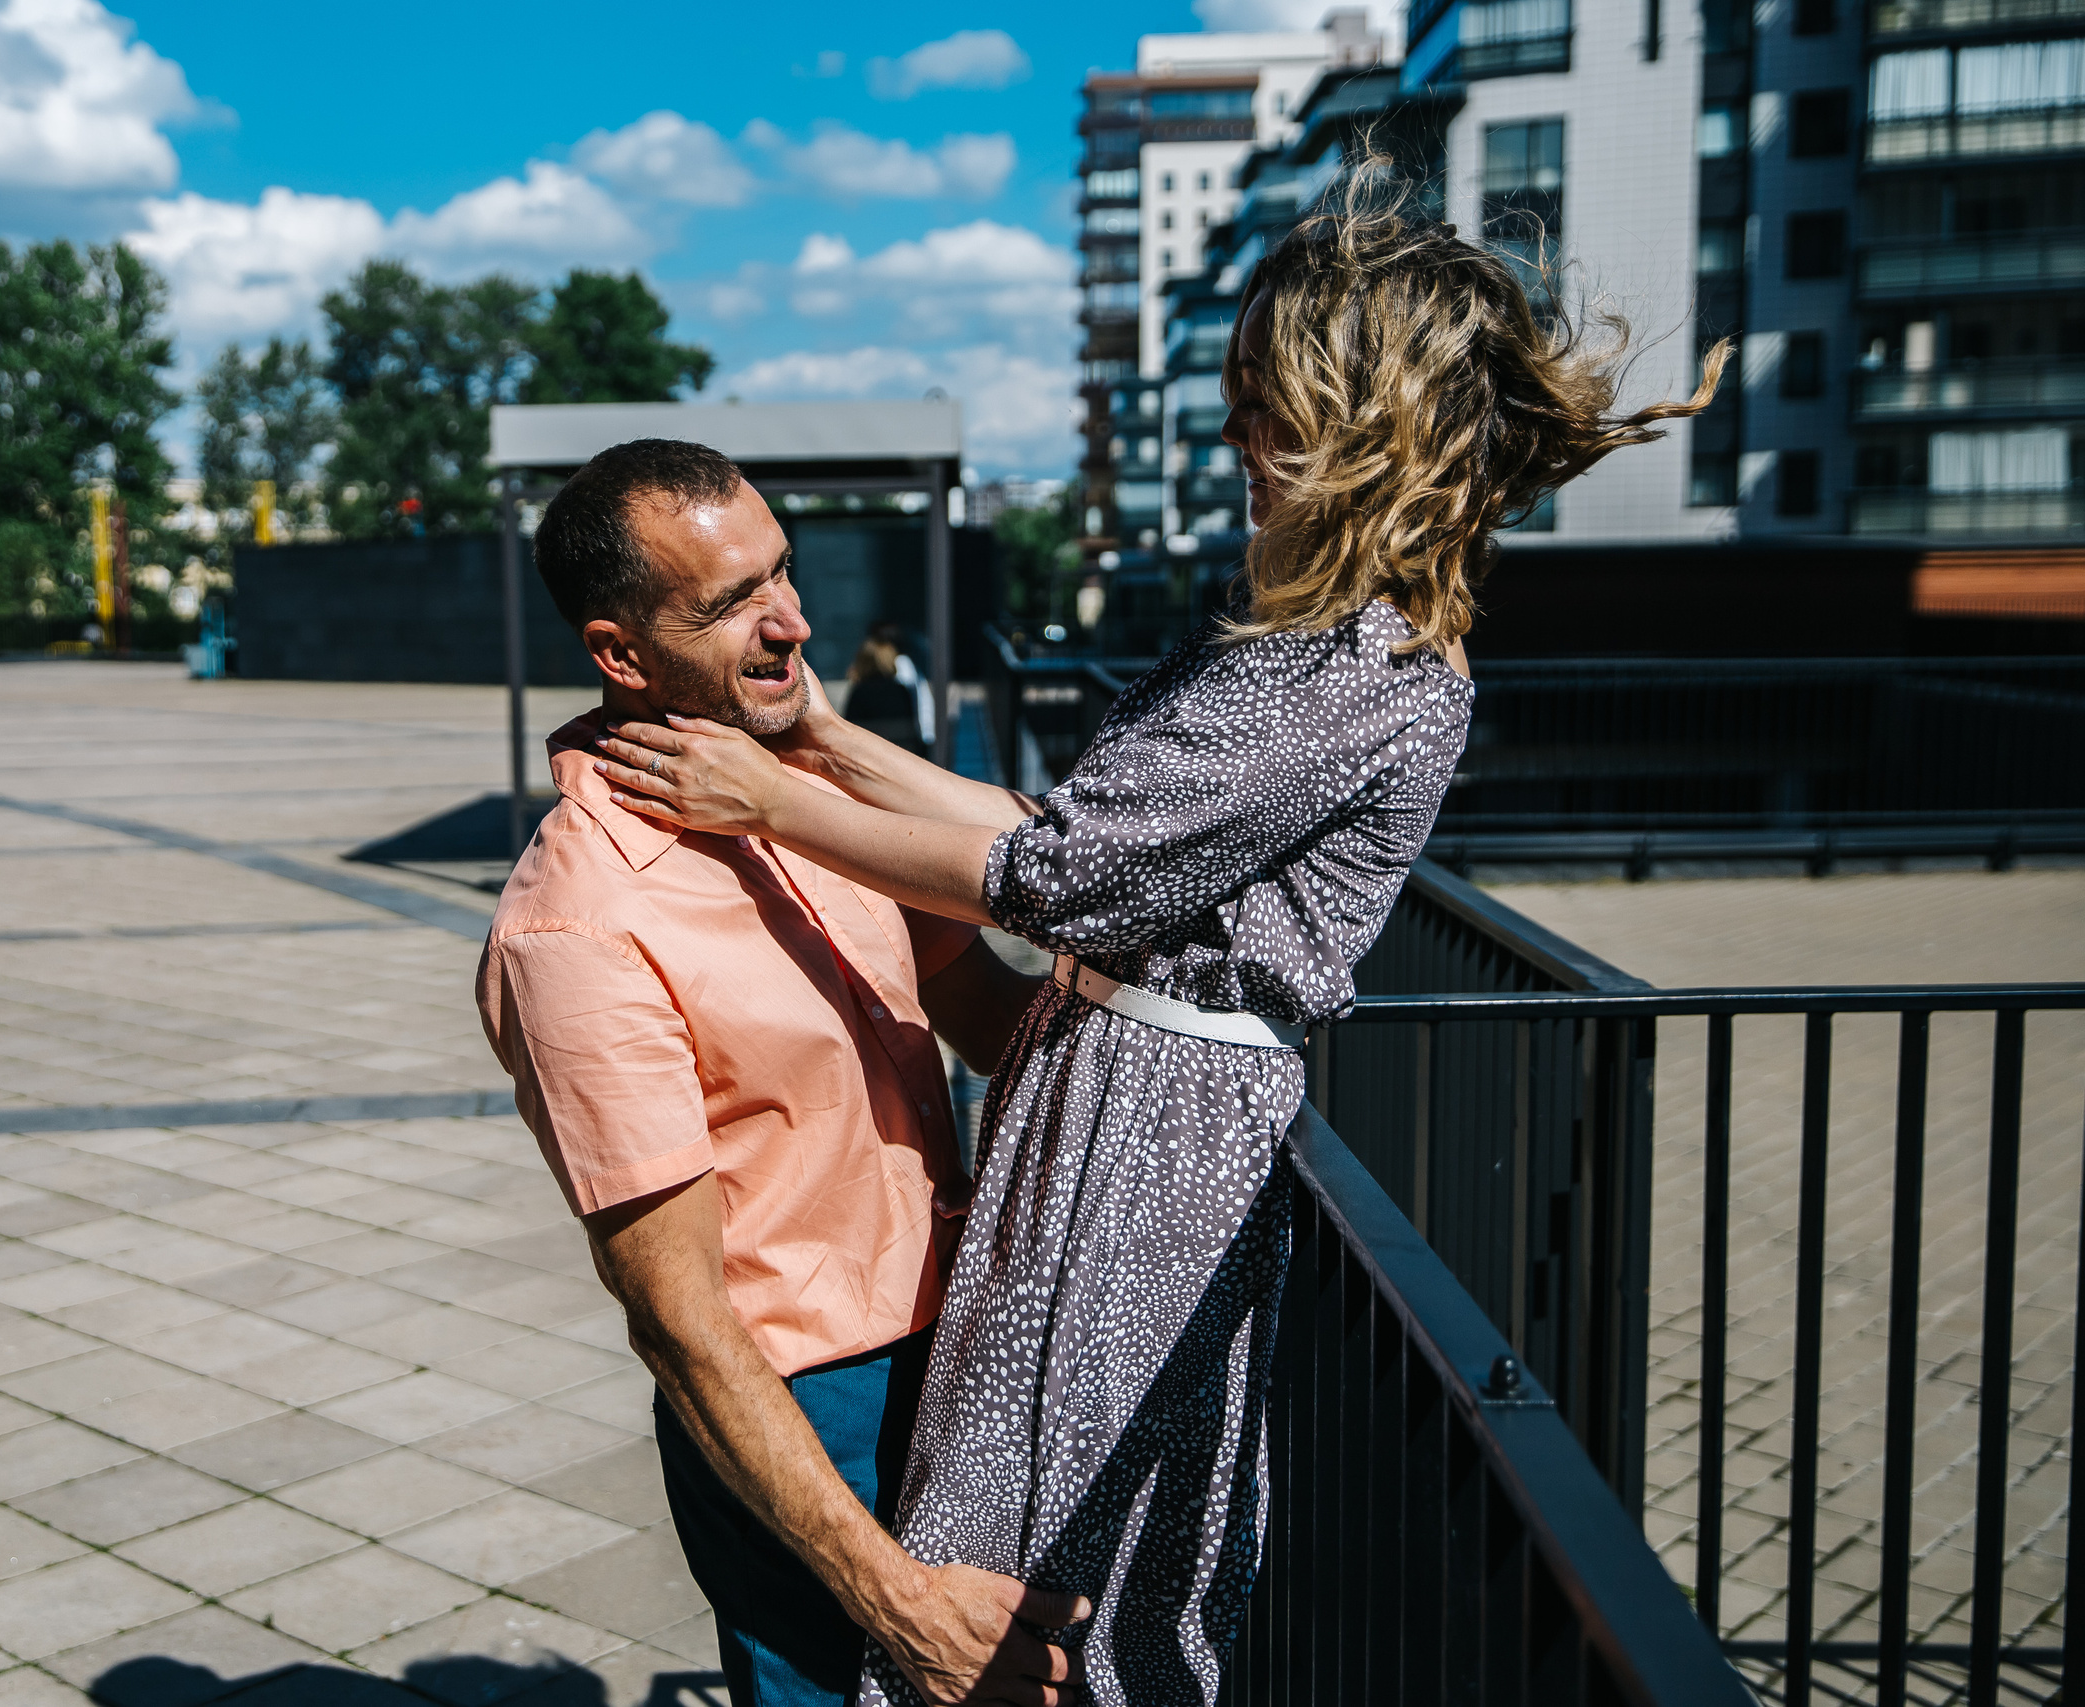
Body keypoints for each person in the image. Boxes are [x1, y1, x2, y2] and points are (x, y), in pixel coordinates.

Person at [590, 170, 1724, 1706]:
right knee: (1020, 1499)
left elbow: (1054, 879)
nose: (1241, 440)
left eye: (1269, 409)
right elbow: (1053, 821)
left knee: (1049, 1540)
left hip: (1155, 1143)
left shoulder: (1362, 666)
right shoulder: (1284, 633)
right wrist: (829, 746)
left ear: (1359, 431)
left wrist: (770, 800)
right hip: (1105, 1101)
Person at [474, 438, 1086, 1707]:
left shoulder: (799, 791)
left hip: (963, 1339)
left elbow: (988, 1008)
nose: (790, 622)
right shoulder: (577, 924)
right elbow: (680, 1317)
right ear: (620, 655)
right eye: (730, 604)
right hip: (812, 1410)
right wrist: (896, 1600)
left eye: (782, 574)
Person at [841, 630, 921, 753]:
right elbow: (912, 730)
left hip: (869, 757)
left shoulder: (860, 692)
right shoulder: (901, 691)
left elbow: (849, 730)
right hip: (902, 755)